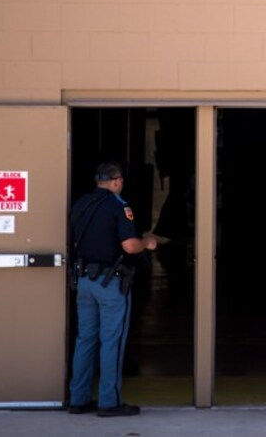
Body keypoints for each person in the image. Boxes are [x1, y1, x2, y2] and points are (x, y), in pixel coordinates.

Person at [68, 162, 158, 417]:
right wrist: (147, 243)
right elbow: (130, 246)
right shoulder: (119, 207)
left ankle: (79, 398)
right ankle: (109, 401)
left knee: (84, 340)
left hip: (84, 280)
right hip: (109, 284)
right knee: (112, 342)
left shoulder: (81, 205)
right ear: (117, 182)